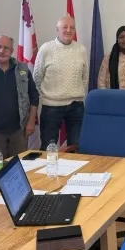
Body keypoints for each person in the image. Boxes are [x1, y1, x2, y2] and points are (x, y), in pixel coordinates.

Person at [0, 35, 39, 158]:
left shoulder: (22, 69)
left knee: (19, 165)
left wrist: (31, 121)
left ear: (12, 51)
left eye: (6, 48)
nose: (2, 51)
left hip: (19, 130)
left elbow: (34, 96)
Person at [34, 16, 88, 150]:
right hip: (51, 107)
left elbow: (84, 77)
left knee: (76, 148)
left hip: (76, 106)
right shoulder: (46, 49)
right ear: (57, 29)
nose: (68, 30)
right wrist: (49, 95)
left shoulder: (81, 49)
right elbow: (37, 77)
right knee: (48, 148)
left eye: (72, 27)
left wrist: (74, 93)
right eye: (65, 27)